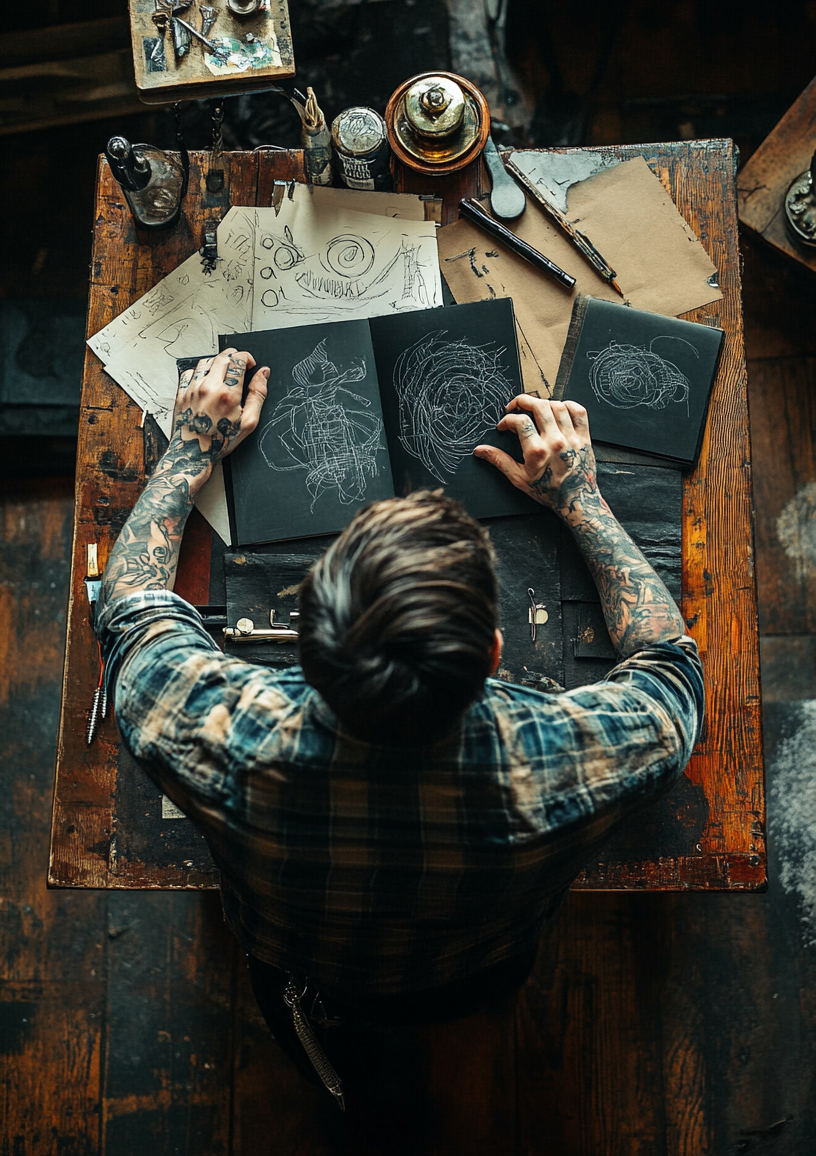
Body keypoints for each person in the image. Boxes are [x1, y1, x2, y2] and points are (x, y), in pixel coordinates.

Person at [95, 347, 703, 1106]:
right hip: (482, 970)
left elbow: (128, 607)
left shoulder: (219, 736)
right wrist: (579, 496)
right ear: (494, 653)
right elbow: (672, 669)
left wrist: (191, 448)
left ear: (304, 645)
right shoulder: (566, 762)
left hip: (299, 967)